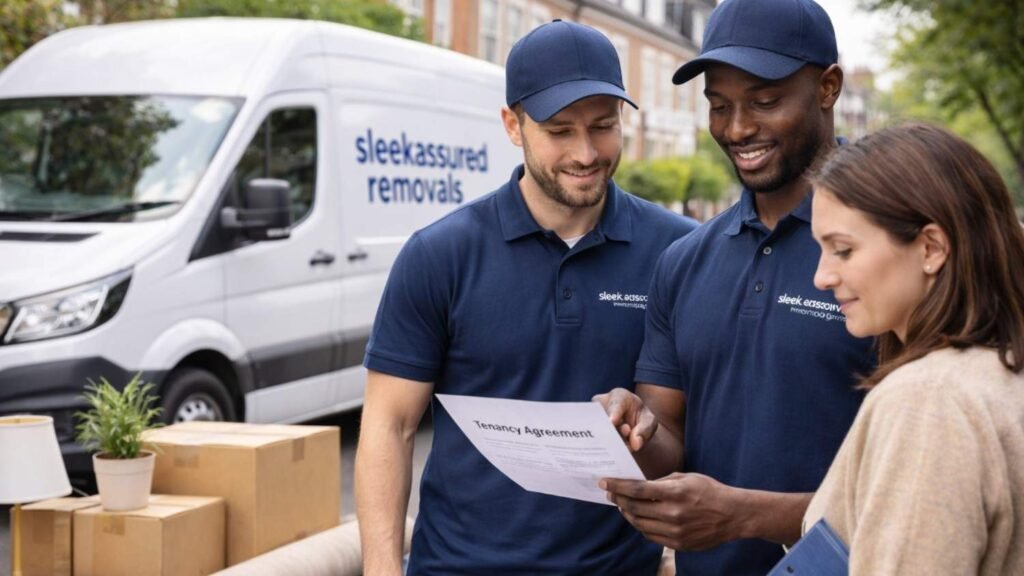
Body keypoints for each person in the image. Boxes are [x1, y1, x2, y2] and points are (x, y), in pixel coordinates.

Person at [354, 19, 698, 575]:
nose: (586, 152)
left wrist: (645, 428)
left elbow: (677, 433)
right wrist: (382, 570)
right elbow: (389, 426)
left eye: (603, 126)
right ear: (513, 125)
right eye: (559, 130)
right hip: (457, 567)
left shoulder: (678, 251)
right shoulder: (440, 255)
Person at [595, 0, 875, 574]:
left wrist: (744, 516)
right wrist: (633, 433)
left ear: (828, 87)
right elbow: (667, 434)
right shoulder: (684, 261)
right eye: (719, 107)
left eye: (765, 101)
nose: (738, 128)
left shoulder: (887, 250)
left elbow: (921, 479)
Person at [799, 122, 1024, 574]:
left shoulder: (929, 400)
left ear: (931, 247)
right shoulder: (997, 369)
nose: (821, 277)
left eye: (842, 250)